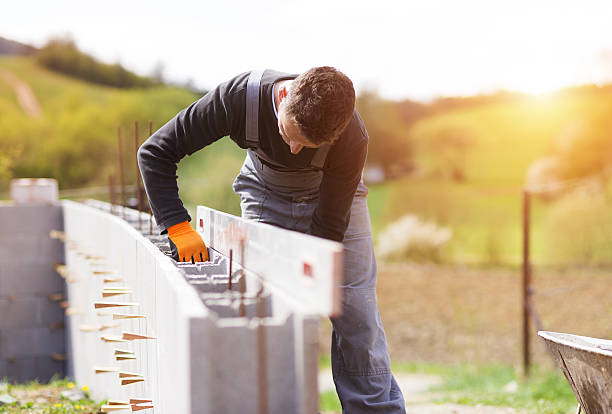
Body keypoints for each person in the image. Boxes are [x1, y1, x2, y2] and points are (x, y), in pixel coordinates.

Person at [138, 66, 406, 413]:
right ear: (282, 98)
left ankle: (374, 409)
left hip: (335, 200)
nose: (294, 149)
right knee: (262, 303)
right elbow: (155, 152)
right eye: (288, 133)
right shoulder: (237, 101)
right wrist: (177, 227)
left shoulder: (352, 137)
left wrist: (317, 280)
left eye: (307, 145)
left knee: (357, 311)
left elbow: (328, 228)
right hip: (264, 192)